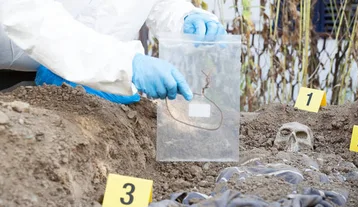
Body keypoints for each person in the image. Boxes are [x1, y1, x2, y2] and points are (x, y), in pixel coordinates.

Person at [0, 0, 226, 103]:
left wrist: (184, 16)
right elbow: (29, 18)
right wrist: (126, 65)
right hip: (12, 72)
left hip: (102, 75)